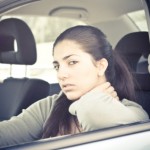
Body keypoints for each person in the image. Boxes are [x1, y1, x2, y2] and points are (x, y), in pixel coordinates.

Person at [0, 25, 149, 147]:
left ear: (100, 66)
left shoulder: (134, 113)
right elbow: (5, 135)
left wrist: (86, 102)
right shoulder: (51, 105)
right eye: (57, 66)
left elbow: (91, 113)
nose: (61, 74)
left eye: (72, 62)